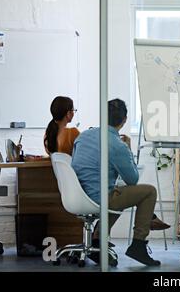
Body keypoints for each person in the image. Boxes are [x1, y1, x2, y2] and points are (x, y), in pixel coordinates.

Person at [71, 99, 169, 266]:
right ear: (124, 120)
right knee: (148, 191)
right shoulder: (117, 145)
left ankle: (98, 238)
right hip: (98, 198)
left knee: (119, 191)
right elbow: (133, 179)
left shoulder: (83, 136)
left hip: (77, 195)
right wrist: (128, 150)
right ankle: (138, 245)